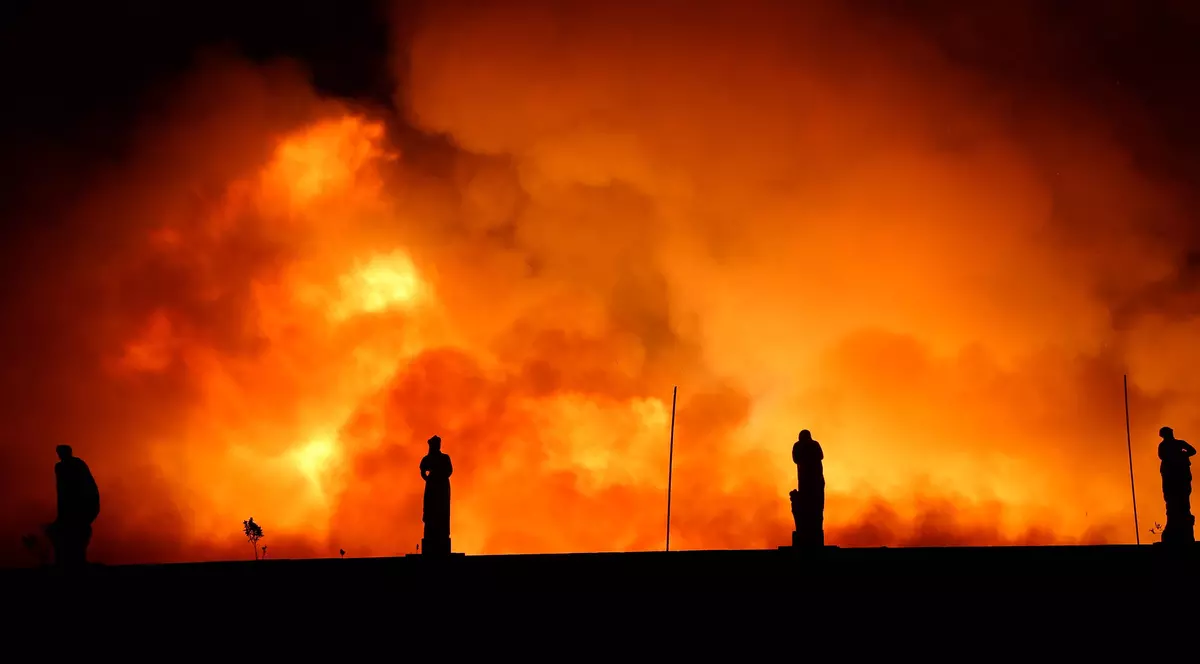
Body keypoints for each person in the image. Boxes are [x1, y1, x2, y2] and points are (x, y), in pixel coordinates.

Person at [48, 445, 100, 568]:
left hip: (80, 504)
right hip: (69, 505)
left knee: (78, 533)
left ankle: (76, 561)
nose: (60, 455)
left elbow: (86, 485)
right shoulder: (60, 467)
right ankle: (67, 562)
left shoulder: (76, 465)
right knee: (68, 532)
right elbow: (61, 490)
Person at [1158, 426, 1196, 544]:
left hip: (1180, 477)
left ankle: (1182, 521)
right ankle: (1176, 522)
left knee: (1182, 500)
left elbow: (1192, 451)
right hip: (1171, 477)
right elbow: (1162, 456)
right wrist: (1180, 455)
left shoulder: (1179, 443)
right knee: (1172, 500)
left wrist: (1183, 455)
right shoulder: (1166, 446)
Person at [419, 435, 453, 555]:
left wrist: (437, 476)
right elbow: (422, 471)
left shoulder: (445, 458)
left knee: (442, 511)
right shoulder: (427, 458)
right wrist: (428, 479)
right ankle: (431, 534)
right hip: (432, 488)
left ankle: (442, 534)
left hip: (442, 488)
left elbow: (449, 471)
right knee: (430, 512)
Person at [791, 430, 825, 546]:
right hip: (804, 480)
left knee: (817, 507)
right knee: (805, 505)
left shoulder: (814, 444)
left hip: (816, 480)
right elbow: (795, 458)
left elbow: (821, 456)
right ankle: (806, 529)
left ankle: (815, 529)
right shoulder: (798, 446)